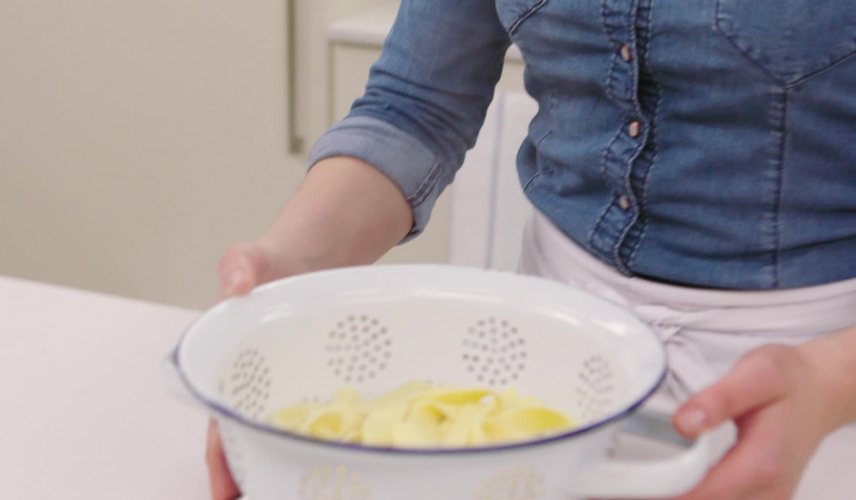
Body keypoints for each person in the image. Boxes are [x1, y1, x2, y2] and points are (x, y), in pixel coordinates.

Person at [205, 0, 856, 498]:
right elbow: (415, 105)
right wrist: (287, 268)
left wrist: (825, 386)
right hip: (551, 357)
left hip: (811, 382)